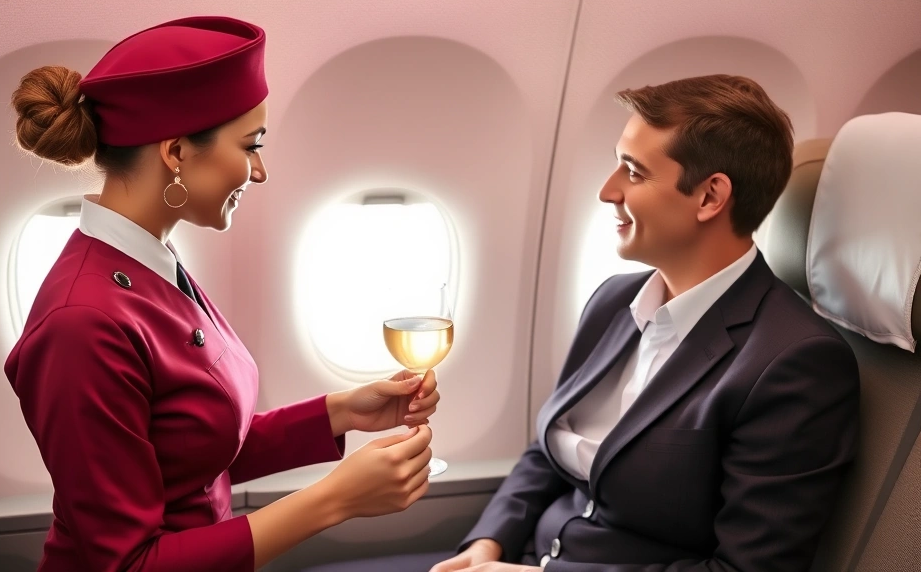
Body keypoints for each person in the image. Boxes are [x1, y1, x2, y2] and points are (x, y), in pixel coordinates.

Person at [306, 75, 860, 571]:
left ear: (710, 196)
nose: (607, 190)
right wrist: (486, 545)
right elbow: (544, 456)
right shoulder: (614, 302)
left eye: (634, 171)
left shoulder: (793, 361)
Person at [5, 16, 441, 572]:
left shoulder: (149, 264)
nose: (259, 172)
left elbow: (191, 448)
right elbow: (129, 564)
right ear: (177, 152)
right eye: (250, 146)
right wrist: (334, 500)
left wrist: (341, 412)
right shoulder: (81, 325)